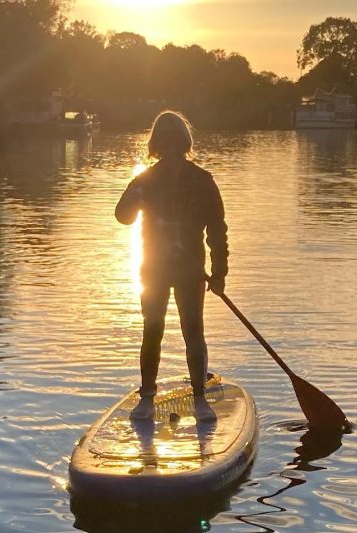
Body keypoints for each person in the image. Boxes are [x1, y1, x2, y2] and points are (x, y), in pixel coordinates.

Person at [115, 111, 228, 421]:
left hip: (190, 270)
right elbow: (123, 217)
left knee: (193, 330)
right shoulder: (144, 181)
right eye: (163, 139)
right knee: (152, 330)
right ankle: (147, 398)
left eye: (174, 138)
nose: (169, 144)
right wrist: (134, 194)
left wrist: (219, 273)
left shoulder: (202, 181)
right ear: (157, 144)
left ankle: (200, 397)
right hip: (154, 268)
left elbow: (217, 230)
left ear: (183, 142)